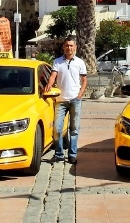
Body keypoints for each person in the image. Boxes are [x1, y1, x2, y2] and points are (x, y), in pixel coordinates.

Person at [43, 36, 87, 164]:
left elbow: (84, 80)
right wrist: (49, 85)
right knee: (57, 129)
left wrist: (79, 95)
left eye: (71, 45)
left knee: (74, 129)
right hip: (60, 100)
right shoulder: (57, 62)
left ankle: (72, 155)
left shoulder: (80, 62)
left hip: (75, 100)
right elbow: (53, 76)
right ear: (63, 47)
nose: (69, 48)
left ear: (75, 47)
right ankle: (59, 154)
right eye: (67, 45)